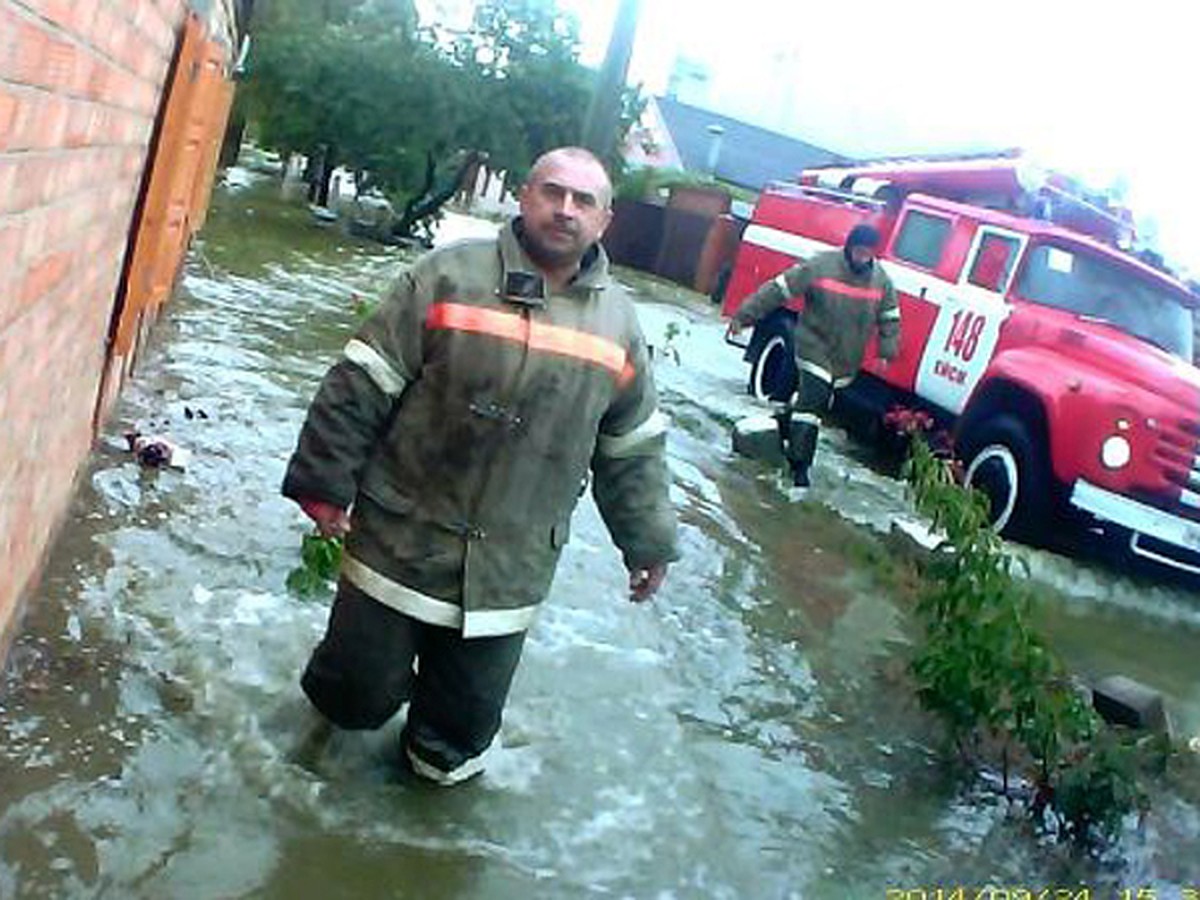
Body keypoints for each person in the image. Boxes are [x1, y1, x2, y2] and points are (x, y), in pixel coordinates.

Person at [282, 147, 679, 785]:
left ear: (605, 221)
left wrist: (648, 541)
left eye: (584, 202)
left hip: (510, 569)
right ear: (525, 196)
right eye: (554, 192)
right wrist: (324, 485)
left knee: (451, 748)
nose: (565, 210)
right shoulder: (445, 276)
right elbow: (362, 380)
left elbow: (631, 444)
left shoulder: (619, 326)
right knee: (350, 698)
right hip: (398, 542)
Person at [726, 224, 900, 500]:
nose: (862, 258)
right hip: (813, 346)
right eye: (859, 251)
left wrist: (886, 352)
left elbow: (890, 317)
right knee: (812, 405)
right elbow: (778, 290)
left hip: (846, 358)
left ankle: (775, 425)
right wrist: (744, 316)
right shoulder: (821, 265)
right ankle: (799, 470)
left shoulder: (881, 280)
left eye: (868, 254)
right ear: (849, 247)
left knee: (812, 405)